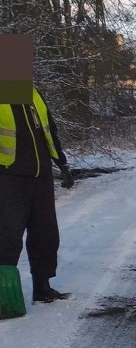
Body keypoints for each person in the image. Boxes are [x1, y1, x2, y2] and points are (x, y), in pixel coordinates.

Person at [0, 86, 74, 303]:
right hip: (9, 176)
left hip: (41, 176)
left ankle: (42, 287)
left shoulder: (32, 92)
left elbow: (49, 129)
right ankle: (5, 295)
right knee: (7, 238)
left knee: (46, 234)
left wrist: (62, 163)